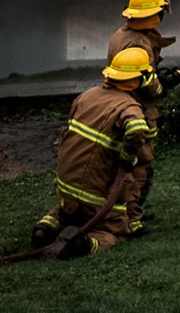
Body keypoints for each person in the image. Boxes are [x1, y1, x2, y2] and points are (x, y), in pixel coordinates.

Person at [31, 46, 159, 258]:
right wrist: (128, 158)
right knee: (114, 230)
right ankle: (82, 245)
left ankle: (45, 228)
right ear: (139, 78)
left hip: (66, 188)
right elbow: (137, 130)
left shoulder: (86, 96)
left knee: (66, 212)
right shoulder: (128, 107)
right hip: (96, 198)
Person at [105, 0, 180, 235]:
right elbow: (150, 88)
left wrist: (155, 73)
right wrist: (167, 82)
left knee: (130, 164)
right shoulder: (139, 45)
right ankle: (133, 220)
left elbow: (138, 73)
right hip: (136, 109)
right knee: (141, 165)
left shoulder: (123, 34)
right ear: (154, 16)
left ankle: (128, 209)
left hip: (121, 104)